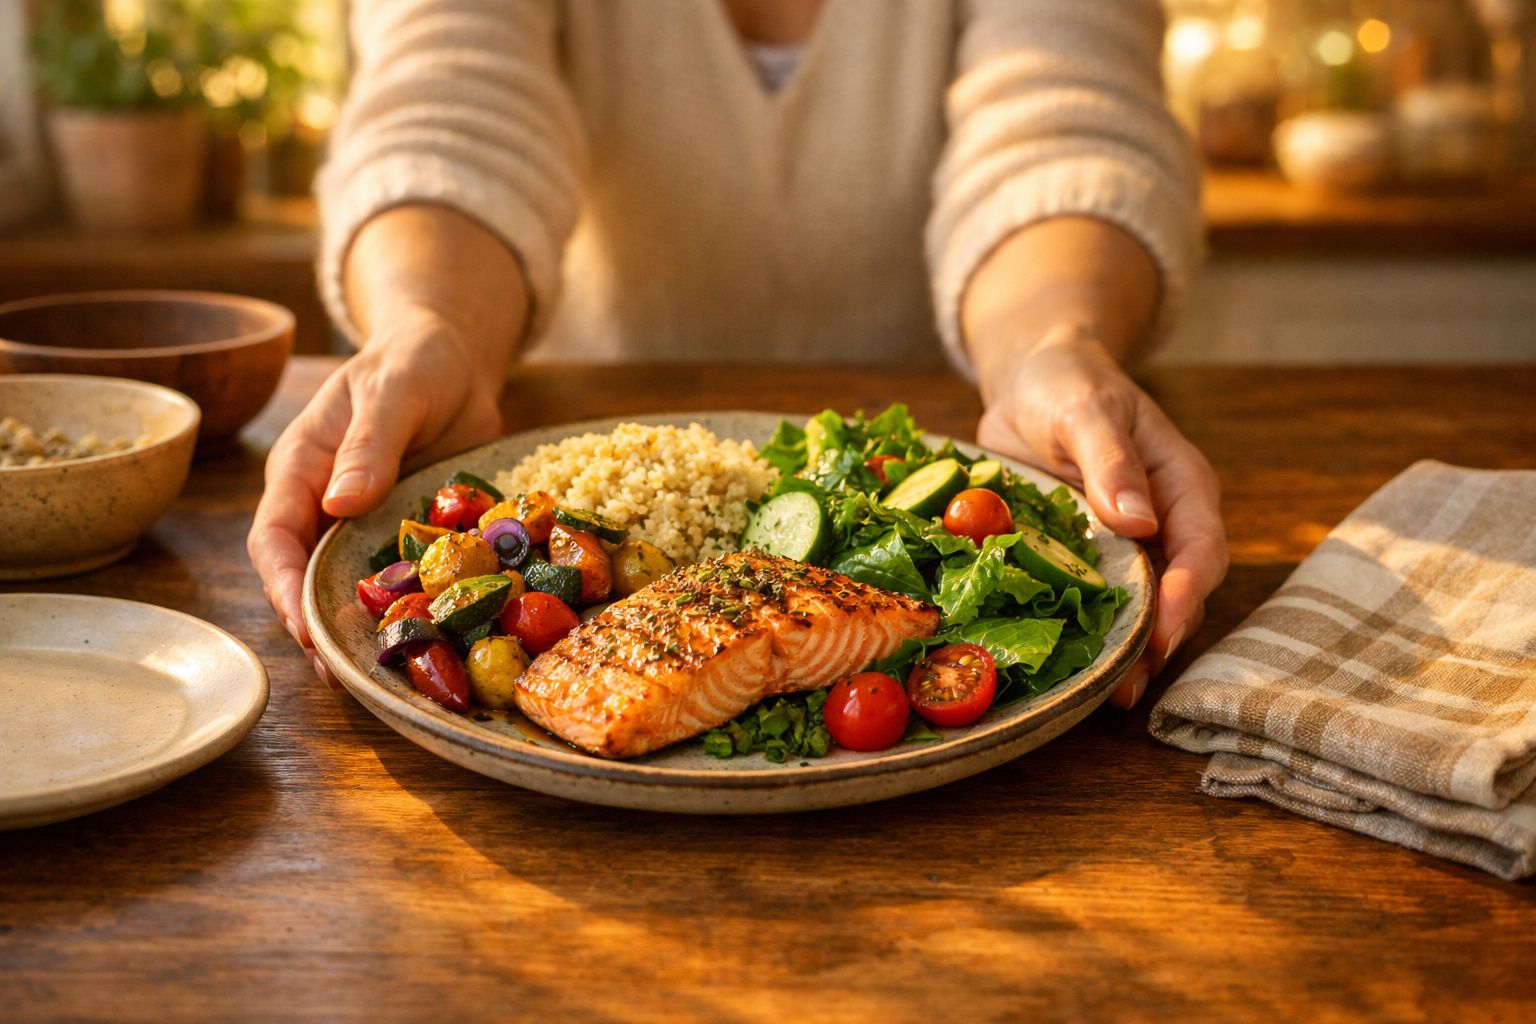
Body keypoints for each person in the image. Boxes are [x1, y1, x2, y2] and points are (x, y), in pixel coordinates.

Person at [249, 0, 1228, 710]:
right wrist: (433, 325)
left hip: (936, 419)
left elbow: (1067, 113)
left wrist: (1052, 344)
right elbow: (444, 96)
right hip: (554, 401)